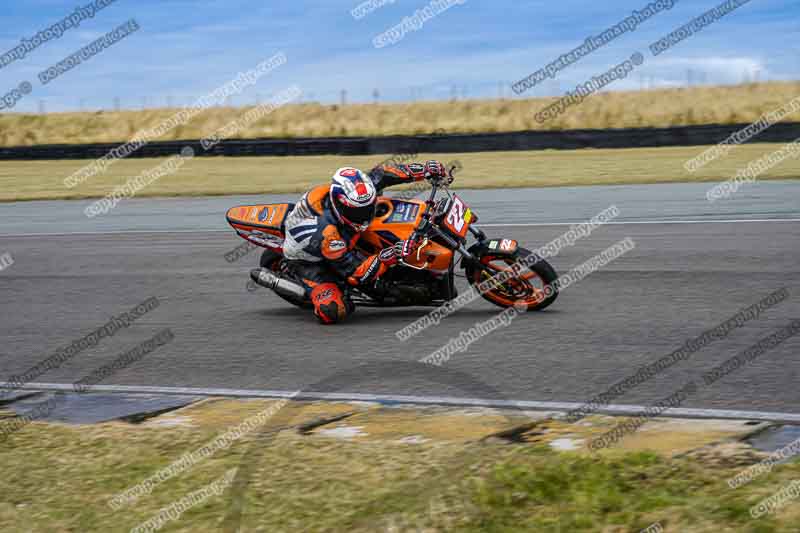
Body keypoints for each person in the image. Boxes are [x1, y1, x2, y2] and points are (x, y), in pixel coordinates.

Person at [282, 160, 452, 324]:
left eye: (368, 207)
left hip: (344, 236)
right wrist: (392, 253)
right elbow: (357, 273)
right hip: (309, 262)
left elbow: (387, 172)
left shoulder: (357, 191)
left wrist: (425, 170)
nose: (365, 215)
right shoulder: (329, 236)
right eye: (357, 212)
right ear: (341, 206)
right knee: (334, 311)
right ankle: (314, 292)